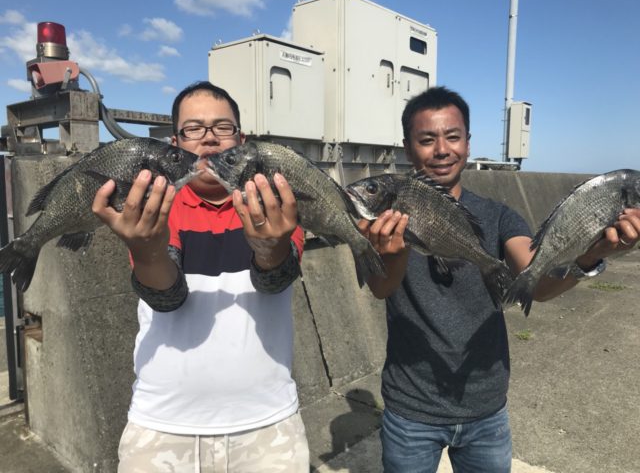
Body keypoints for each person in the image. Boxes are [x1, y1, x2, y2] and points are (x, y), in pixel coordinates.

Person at [357, 85, 640, 473]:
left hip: (486, 409)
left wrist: (591, 256)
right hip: (411, 409)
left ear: (468, 143)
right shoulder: (381, 220)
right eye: (426, 140)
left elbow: (536, 279)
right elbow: (381, 287)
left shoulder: (498, 216)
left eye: (452, 137)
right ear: (408, 148)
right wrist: (395, 251)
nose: (442, 150)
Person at [92, 81, 309, 472]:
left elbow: (274, 280)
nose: (209, 138)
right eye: (193, 129)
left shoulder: (278, 202)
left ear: (241, 140)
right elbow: (167, 297)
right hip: (161, 424)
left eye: (222, 127)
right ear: (176, 143)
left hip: (269, 422)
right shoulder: (158, 204)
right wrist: (146, 250)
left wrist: (270, 247)